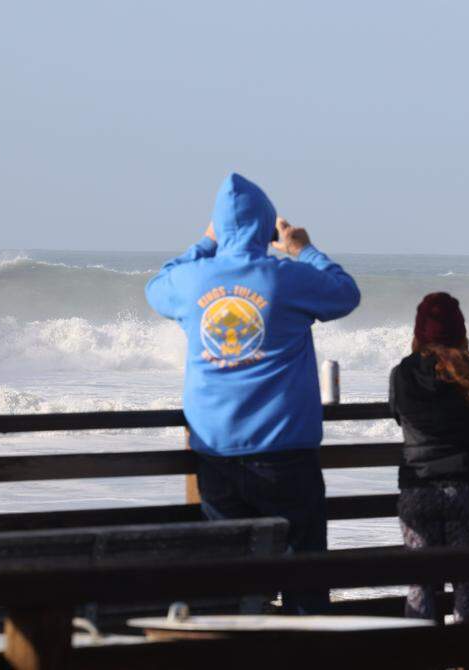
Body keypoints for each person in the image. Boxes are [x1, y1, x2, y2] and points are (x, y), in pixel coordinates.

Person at [145, 172, 360, 614]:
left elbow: (156, 285)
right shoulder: (287, 277)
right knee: (304, 575)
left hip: (215, 454)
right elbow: (345, 294)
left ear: (220, 228)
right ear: (266, 228)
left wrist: (205, 242)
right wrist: (302, 249)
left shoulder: (192, 280)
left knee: (234, 580)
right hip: (285, 452)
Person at [389, 292, 469, 623]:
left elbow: (398, 414)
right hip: (467, 490)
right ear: (460, 330)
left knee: (420, 585)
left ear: (419, 332)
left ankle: (422, 658)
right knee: (467, 586)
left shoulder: (403, 374)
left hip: (418, 490)